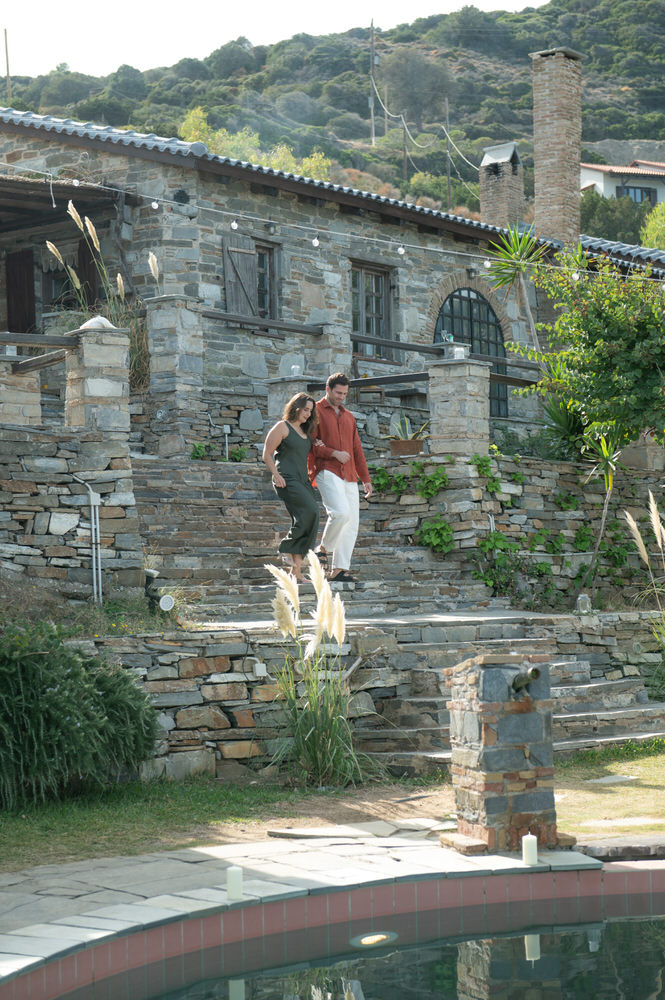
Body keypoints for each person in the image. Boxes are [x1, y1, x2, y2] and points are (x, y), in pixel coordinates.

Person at [307, 372, 372, 583]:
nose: (341, 397)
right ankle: (323, 548)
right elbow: (312, 441)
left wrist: (366, 478)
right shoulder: (314, 411)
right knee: (341, 513)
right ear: (327, 389)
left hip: (350, 474)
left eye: (344, 393)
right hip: (326, 469)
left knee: (352, 523)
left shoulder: (349, 416)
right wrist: (333, 452)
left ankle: (339, 570)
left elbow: (356, 449)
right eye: (338, 393)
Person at [262, 393, 320, 582]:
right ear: (296, 407)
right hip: (286, 479)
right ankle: (286, 547)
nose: (308, 414)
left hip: (303, 480)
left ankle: (296, 572)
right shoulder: (282, 427)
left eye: (310, 411)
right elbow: (267, 454)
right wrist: (276, 475)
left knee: (310, 518)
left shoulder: (305, 432)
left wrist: (317, 443)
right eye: (306, 410)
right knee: (310, 512)